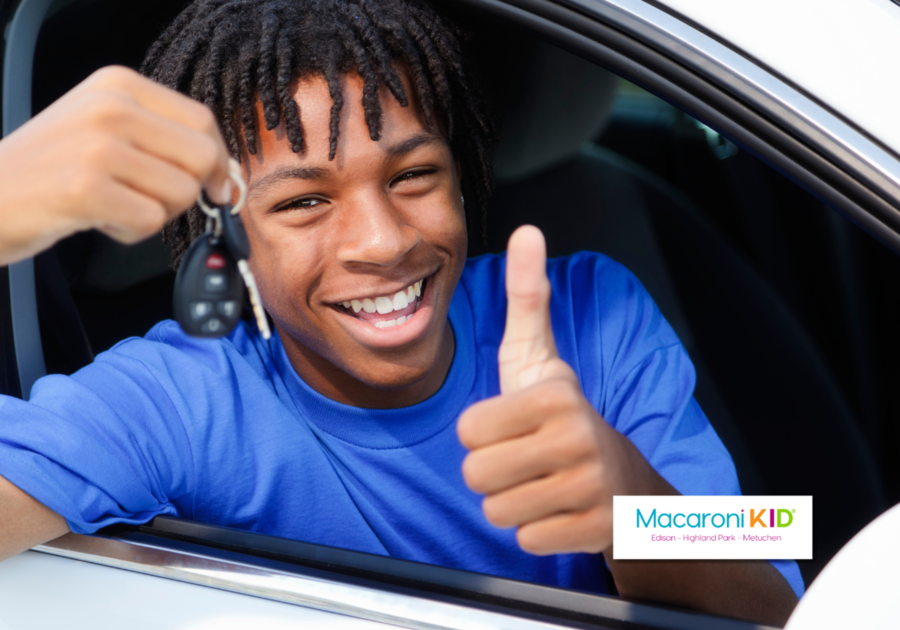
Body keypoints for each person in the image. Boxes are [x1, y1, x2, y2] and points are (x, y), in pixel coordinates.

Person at [0, 0, 802, 623]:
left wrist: (628, 498)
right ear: (233, 234)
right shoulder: (181, 395)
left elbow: (781, 595)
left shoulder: (595, 308)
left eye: (413, 175)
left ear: (463, 175)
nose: (382, 242)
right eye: (307, 201)